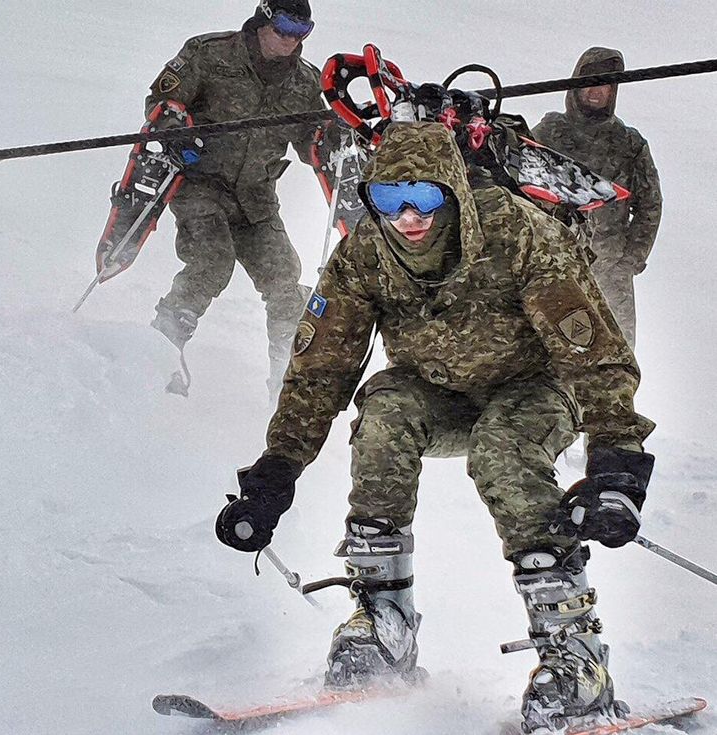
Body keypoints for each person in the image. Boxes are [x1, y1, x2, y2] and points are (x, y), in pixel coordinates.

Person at [215, 123, 655, 732]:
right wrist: (276, 473)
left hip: (537, 385)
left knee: (502, 450)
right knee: (385, 407)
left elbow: (593, 352)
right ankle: (383, 623)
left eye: (424, 197)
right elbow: (321, 368)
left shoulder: (518, 232)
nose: (409, 217)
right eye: (390, 200)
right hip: (439, 391)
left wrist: (617, 461)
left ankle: (575, 654)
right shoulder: (366, 253)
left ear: (453, 190)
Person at [144, 0, 334, 399]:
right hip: (200, 186)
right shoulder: (210, 54)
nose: (291, 40)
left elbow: (312, 141)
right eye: (283, 27)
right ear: (263, 19)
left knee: (285, 278)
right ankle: (160, 349)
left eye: (302, 31)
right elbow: (163, 102)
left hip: (256, 200)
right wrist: (173, 123)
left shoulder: (304, 82)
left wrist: (332, 142)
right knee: (213, 262)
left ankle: (287, 379)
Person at [532, 48, 662, 348]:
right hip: (554, 266)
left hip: (609, 270)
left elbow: (650, 205)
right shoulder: (550, 132)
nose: (595, 90)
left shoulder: (629, 143)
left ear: (613, 90)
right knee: (549, 352)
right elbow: (522, 186)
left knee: (616, 356)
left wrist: (629, 260)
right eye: (589, 81)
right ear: (576, 84)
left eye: (604, 83)